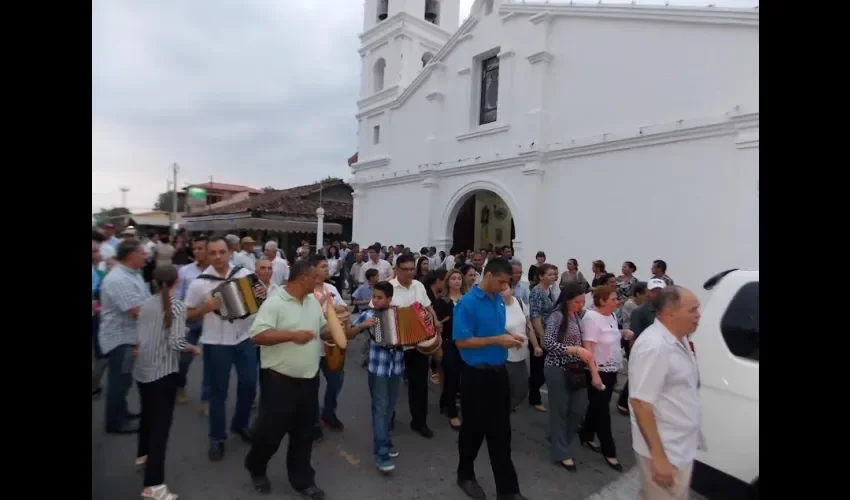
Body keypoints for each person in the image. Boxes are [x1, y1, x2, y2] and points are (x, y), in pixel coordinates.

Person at [244, 260, 331, 499]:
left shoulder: (313, 302)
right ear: (303, 277)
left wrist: (337, 329)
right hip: (279, 383)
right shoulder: (274, 303)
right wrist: (292, 335)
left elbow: (321, 329)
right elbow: (258, 335)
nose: (319, 281)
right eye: (315, 277)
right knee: (270, 434)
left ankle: (303, 480)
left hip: (309, 382)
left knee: (304, 434)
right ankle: (256, 467)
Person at [453, 258, 529, 500]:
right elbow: (462, 341)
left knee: (501, 432)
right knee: (473, 431)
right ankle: (465, 474)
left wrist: (510, 335)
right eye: (503, 281)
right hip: (475, 376)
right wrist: (497, 340)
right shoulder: (467, 303)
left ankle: (508, 490)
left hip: (498, 372)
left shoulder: (497, 299)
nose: (506, 287)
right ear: (490, 276)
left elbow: (494, 331)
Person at [133, 265, 200, 500]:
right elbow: (176, 343)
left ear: (153, 282)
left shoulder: (147, 304)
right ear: (177, 282)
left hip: (143, 371)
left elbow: (150, 333)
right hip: (163, 373)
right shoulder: (177, 306)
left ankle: (142, 456)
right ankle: (153, 484)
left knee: (147, 418)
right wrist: (192, 347)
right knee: (160, 430)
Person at [629, 286, 702, 500]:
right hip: (666, 449)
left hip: (679, 446)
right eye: (693, 310)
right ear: (670, 313)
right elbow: (641, 403)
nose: (699, 315)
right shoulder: (655, 347)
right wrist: (659, 458)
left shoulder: (680, 338)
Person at [349, 281, 403, 472]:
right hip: (377, 369)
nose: (375, 301)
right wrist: (363, 325)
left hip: (396, 368)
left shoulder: (400, 315)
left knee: (389, 407)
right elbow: (348, 333)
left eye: (380, 298)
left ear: (389, 298)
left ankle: (385, 442)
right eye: (374, 297)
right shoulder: (369, 315)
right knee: (380, 408)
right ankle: (381, 453)